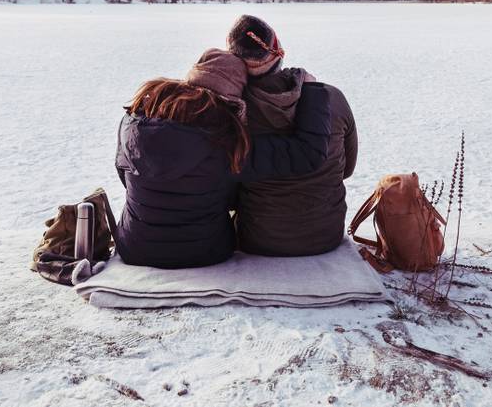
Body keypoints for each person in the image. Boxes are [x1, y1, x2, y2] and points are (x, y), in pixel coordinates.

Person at [114, 48, 332, 269]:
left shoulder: (132, 124)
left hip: (135, 248)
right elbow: (306, 154)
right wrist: (313, 90)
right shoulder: (226, 144)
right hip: (205, 252)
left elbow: (124, 177)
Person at [227, 15, 357, 257]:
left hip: (257, 238)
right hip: (325, 237)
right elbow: (347, 169)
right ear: (278, 51)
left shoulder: (232, 113)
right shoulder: (333, 98)